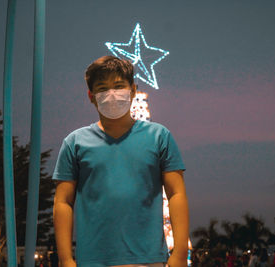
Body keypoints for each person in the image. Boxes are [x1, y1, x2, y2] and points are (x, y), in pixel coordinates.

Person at [53, 56, 189, 267]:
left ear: (133, 90)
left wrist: (179, 254)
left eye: (118, 86)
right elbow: (62, 202)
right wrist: (65, 259)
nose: (112, 94)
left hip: (149, 259)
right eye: (102, 88)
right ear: (91, 96)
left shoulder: (159, 137)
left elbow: (176, 193)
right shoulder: (74, 143)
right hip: (92, 260)